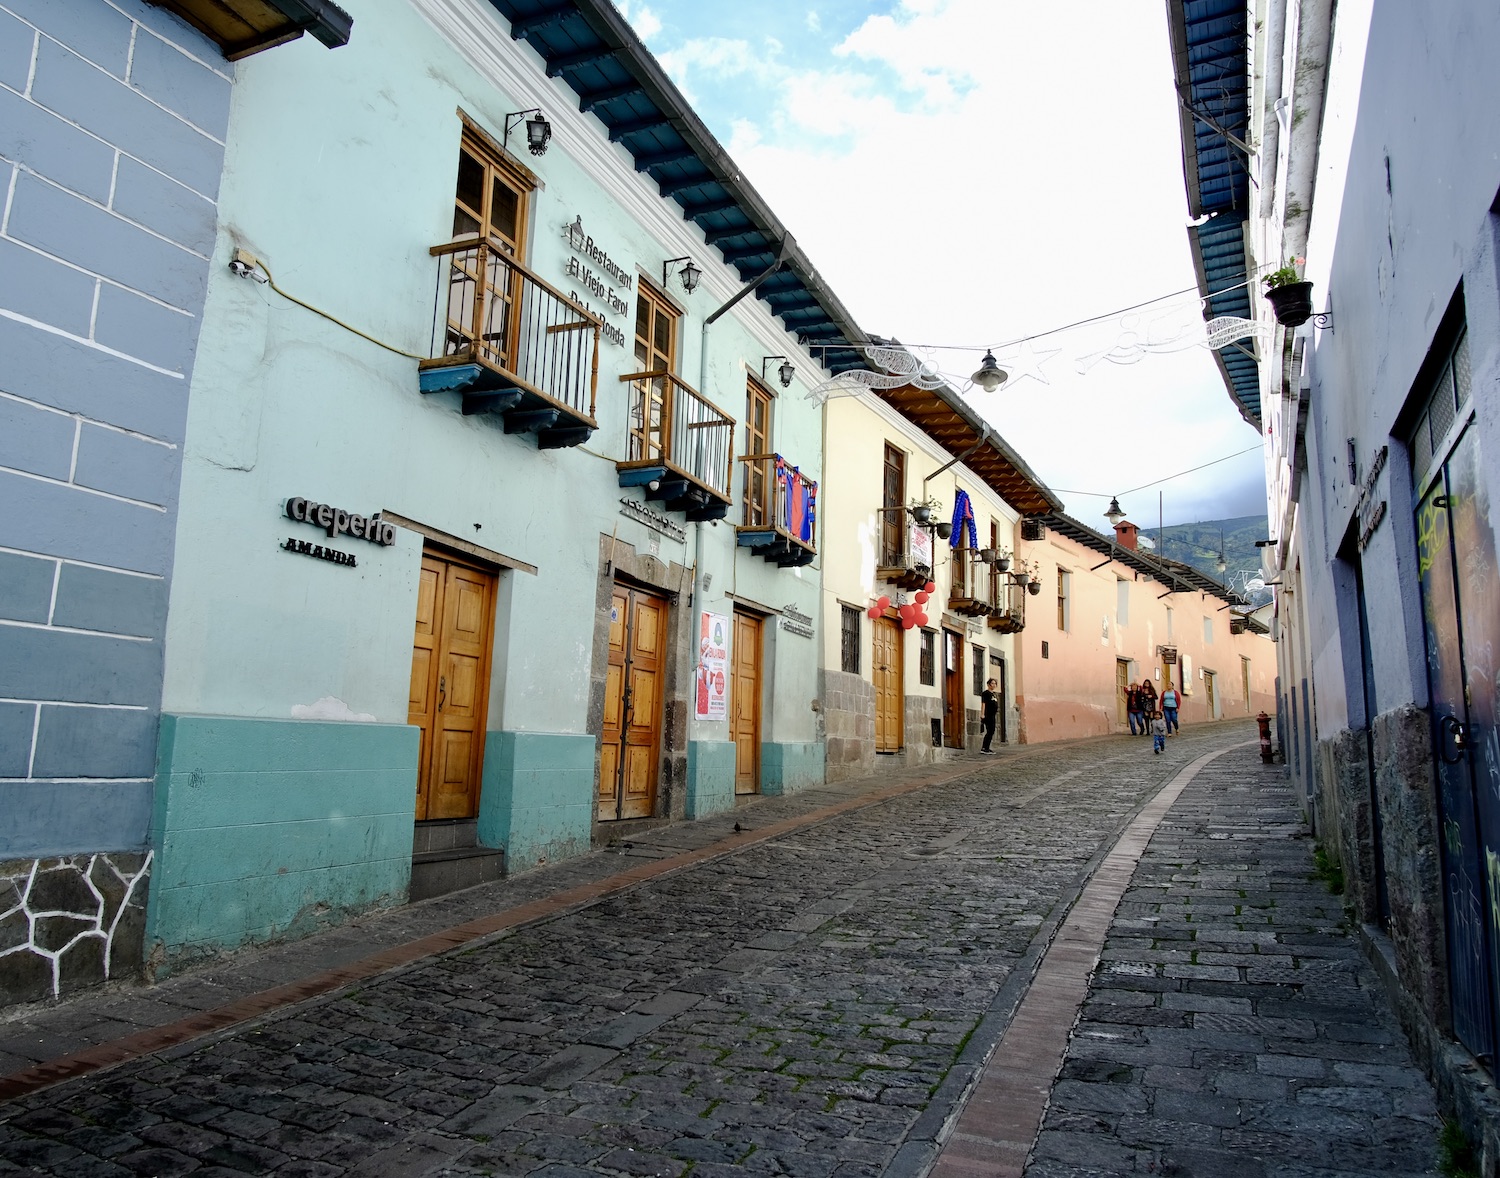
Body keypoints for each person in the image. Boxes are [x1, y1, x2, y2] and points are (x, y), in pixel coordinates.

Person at [980, 678, 1001, 753]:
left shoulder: (993, 694)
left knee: (991, 731)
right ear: (988, 684)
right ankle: (984, 748)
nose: (994, 685)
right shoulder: (986, 693)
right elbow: (983, 704)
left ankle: (986, 747)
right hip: (987, 715)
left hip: (992, 715)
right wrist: (982, 714)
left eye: (995, 683)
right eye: (992, 683)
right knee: (990, 731)